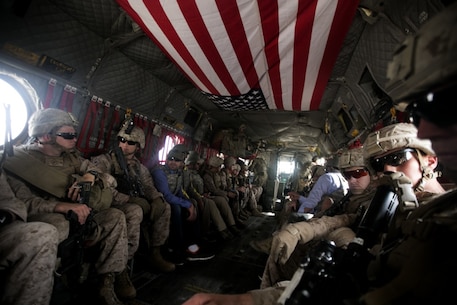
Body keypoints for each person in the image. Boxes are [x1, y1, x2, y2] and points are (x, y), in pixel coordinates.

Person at [182, 3, 457, 303]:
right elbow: (342, 224)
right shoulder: (385, 209)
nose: (387, 170)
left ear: (429, 160)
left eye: (397, 158)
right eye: (377, 164)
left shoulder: (443, 219)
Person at [2, 108, 135, 305]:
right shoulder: (19, 162)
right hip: (49, 218)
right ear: (46, 136)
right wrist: (60, 206)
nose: (74, 139)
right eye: (68, 135)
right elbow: (23, 204)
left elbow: (94, 168)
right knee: (53, 228)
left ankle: (106, 282)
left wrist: (89, 176)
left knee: (115, 216)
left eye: (74, 134)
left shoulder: (72, 157)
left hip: (81, 214)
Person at [258, 146, 376, 288]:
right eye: (347, 176)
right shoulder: (353, 196)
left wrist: (301, 225)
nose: (352, 180)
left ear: (372, 172)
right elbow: (331, 214)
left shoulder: (375, 199)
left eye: (358, 173)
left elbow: (344, 219)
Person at [91, 123, 175, 272]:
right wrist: (129, 199)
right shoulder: (104, 161)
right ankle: (122, 265)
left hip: (131, 203)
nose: (124, 145)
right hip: (110, 203)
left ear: (138, 146)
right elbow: (102, 188)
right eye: (122, 140)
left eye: (130, 142)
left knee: (165, 206)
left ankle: (154, 252)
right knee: (134, 210)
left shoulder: (138, 167)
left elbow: (148, 185)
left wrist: (156, 198)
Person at [0, 166, 59, 305]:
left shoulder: (74, 159)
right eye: (69, 140)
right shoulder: (24, 160)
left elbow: (9, 201)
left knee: (43, 234)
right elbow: (26, 200)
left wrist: (91, 175)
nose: (73, 142)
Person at [151, 147, 215, 263]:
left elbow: (179, 191)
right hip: (160, 202)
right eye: (170, 159)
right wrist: (187, 205)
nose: (173, 162)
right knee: (177, 209)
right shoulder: (159, 172)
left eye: (177, 160)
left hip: (172, 200)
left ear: (181, 163)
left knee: (191, 206)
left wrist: (190, 204)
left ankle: (194, 245)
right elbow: (166, 195)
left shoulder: (179, 173)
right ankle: (178, 248)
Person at [183, 151, 240, 241]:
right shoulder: (187, 174)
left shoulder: (197, 173)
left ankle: (231, 225)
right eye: (197, 164)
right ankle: (216, 230)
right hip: (195, 197)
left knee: (221, 200)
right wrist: (200, 197)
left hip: (202, 195)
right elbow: (189, 190)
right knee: (210, 203)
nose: (199, 166)